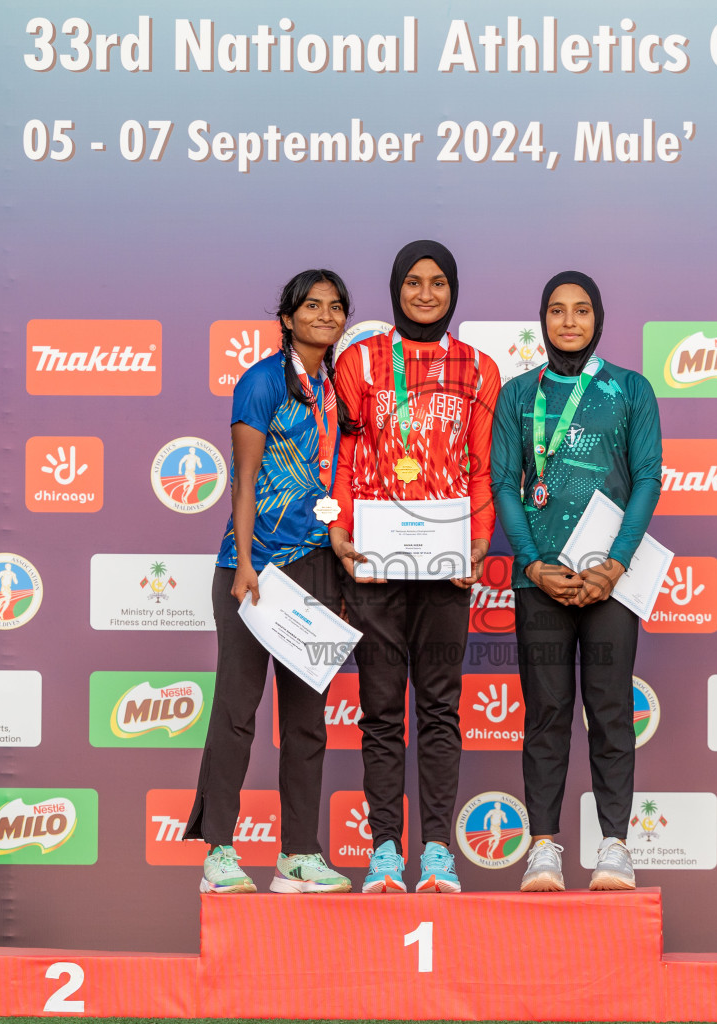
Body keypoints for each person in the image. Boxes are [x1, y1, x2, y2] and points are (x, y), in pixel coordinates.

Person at [329, 240, 499, 893]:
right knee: (378, 712)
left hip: (447, 569)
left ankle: (435, 852)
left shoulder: (480, 370)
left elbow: (482, 468)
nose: (425, 294)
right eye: (413, 283)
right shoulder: (359, 363)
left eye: (437, 283)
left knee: (438, 709)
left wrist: (479, 544)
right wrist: (338, 528)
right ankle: (384, 852)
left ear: (453, 289)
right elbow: (341, 459)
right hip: (374, 564)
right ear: (395, 288)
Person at [184, 269, 355, 895]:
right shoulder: (261, 382)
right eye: (311, 305)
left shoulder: (339, 386)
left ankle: (299, 857)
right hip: (252, 568)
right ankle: (220, 853)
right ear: (287, 317)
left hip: (316, 566)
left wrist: (337, 542)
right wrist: (248, 558)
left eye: (336, 307)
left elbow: (332, 476)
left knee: (308, 720)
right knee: (235, 710)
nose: (325, 315)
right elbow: (245, 478)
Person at [490, 271, 662, 892]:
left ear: (598, 319)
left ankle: (614, 845)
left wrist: (614, 564)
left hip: (609, 582)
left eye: (581, 310)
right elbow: (505, 485)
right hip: (542, 583)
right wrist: (534, 563)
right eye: (557, 311)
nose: (569, 321)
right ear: (542, 320)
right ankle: (543, 847)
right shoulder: (515, 397)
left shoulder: (630, 390)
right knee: (546, 713)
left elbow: (647, 478)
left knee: (611, 710)